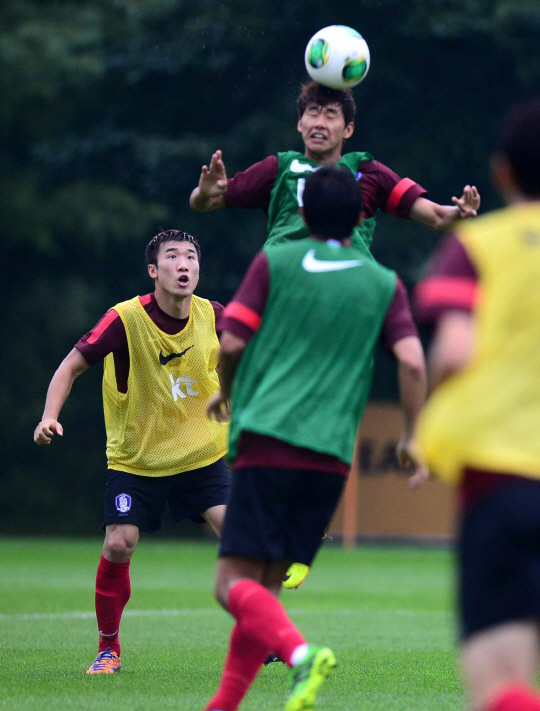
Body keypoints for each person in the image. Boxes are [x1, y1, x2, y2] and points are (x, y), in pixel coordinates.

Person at [203, 166, 428, 711]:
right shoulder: (384, 282)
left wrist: (227, 393)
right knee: (266, 590)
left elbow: (230, 343)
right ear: (360, 217)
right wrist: (410, 437)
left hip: (268, 439)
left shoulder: (276, 261)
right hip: (330, 457)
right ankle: (223, 705)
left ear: (299, 213)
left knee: (231, 584)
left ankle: (302, 655)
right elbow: (413, 364)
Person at [33, 229, 231, 675]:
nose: (184, 264)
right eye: (173, 257)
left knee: (240, 538)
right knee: (119, 544)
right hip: (137, 460)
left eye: (192, 257)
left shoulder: (214, 315)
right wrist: (48, 416)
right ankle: (108, 649)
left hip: (201, 455)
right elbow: (71, 365)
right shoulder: (124, 319)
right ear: (153, 270)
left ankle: (264, 636)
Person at [414, 98, 540, 711]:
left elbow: (455, 351)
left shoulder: (478, 245)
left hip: (503, 483)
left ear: (502, 173)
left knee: (501, 686)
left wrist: (430, 419)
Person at [190, 80, 480, 256]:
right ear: (299, 122)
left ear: (348, 129)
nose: (319, 123)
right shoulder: (278, 167)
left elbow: (439, 218)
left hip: (347, 288)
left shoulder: (369, 172)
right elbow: (204, 204)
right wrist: (205, 193)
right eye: (312, 113)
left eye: (330, 115)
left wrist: (461, 212)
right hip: (284, 283)